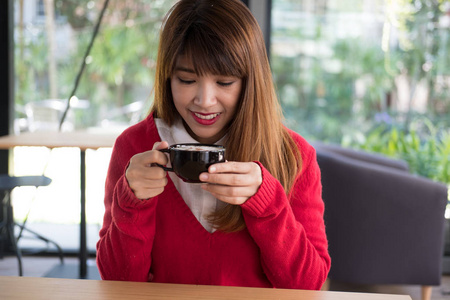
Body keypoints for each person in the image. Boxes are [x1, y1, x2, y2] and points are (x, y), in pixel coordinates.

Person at [96, 0, 330, 290]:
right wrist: (131, 201)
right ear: (167, 75)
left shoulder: (293, 155)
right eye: (187, 79)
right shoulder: (134, 147)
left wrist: (267, 202)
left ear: (249, 82)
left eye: (224, 82)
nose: (205, 101)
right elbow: (117, 282)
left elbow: (308, 285)